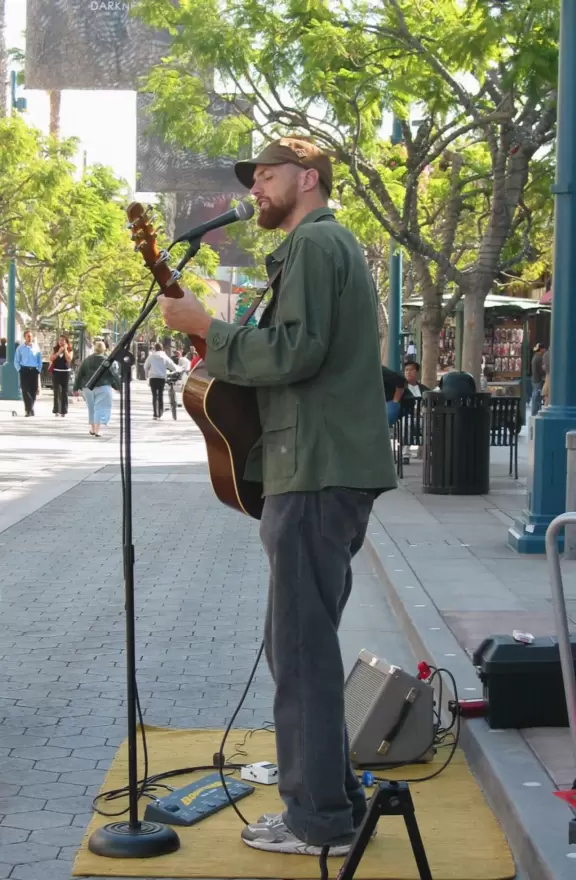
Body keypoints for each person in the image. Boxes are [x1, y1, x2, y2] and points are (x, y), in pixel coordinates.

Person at [158, 136, 397, 857]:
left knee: (299, 649)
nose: (256, 186)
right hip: (317, 466)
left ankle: (318, 821)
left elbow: (295, 353)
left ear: (308, 177)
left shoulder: (317, 246)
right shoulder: (315, 249)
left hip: (318, 470)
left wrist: (206, 327)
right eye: (253, 177)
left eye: (266, 174)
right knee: (304, 644)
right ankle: (332, 803)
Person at [73, 340, 119, 436]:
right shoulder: (106, 361)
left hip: (88, 388)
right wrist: (117, 386)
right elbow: (114, 375)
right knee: (99, 408)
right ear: (103, 349)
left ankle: (93, 429)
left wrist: (75, 388)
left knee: (91, 408)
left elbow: (80, 375)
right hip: (103, 387)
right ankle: (97, 431)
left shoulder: (86, 360)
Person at [144, 343, 179, 419]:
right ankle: (160, 412)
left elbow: (145, 366)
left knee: (154, 396)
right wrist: (176, 369)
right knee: (160, 395)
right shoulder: (165, 356)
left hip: (153, 378)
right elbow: (172, 366)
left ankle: (155, 414)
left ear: (155, 349)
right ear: (162, 348)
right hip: (161, 378)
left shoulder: (151, 356)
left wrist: (147, 375)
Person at [14, 330, 42, 417]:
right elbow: (16, 360)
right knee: (25, 390)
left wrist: (39, 370)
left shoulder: (36, 348)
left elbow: (39, 360)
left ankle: (30, 408)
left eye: (31, 336)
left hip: (34, 371)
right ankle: (28, 410)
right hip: (24, 370)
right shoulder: (20, 348)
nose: (30, 338)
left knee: (33, 391)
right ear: (24, 337)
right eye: (28, 336)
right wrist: (19, 369)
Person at [49, 334, 73, 417]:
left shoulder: (69, 349)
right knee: (57, 391)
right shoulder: (55, 349)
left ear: (66, 342)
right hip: (56, 372)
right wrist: (58, 352)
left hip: (65, 372)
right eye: (60, 340)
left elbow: (69, 359)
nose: (61, 342)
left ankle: (64, 411)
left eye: (63, 340)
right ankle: (56, 410)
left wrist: (65, 350)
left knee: (64, 392)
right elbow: (51, 358)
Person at [531, 343, 546, 416]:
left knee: (535, 396)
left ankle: (534, 412)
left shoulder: (535, 357)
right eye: (543, 348)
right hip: (538, 380)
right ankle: (535, 412)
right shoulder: (540, 358)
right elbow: (541, 370)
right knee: (537, 397)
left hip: (534, 379)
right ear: (541, 349)